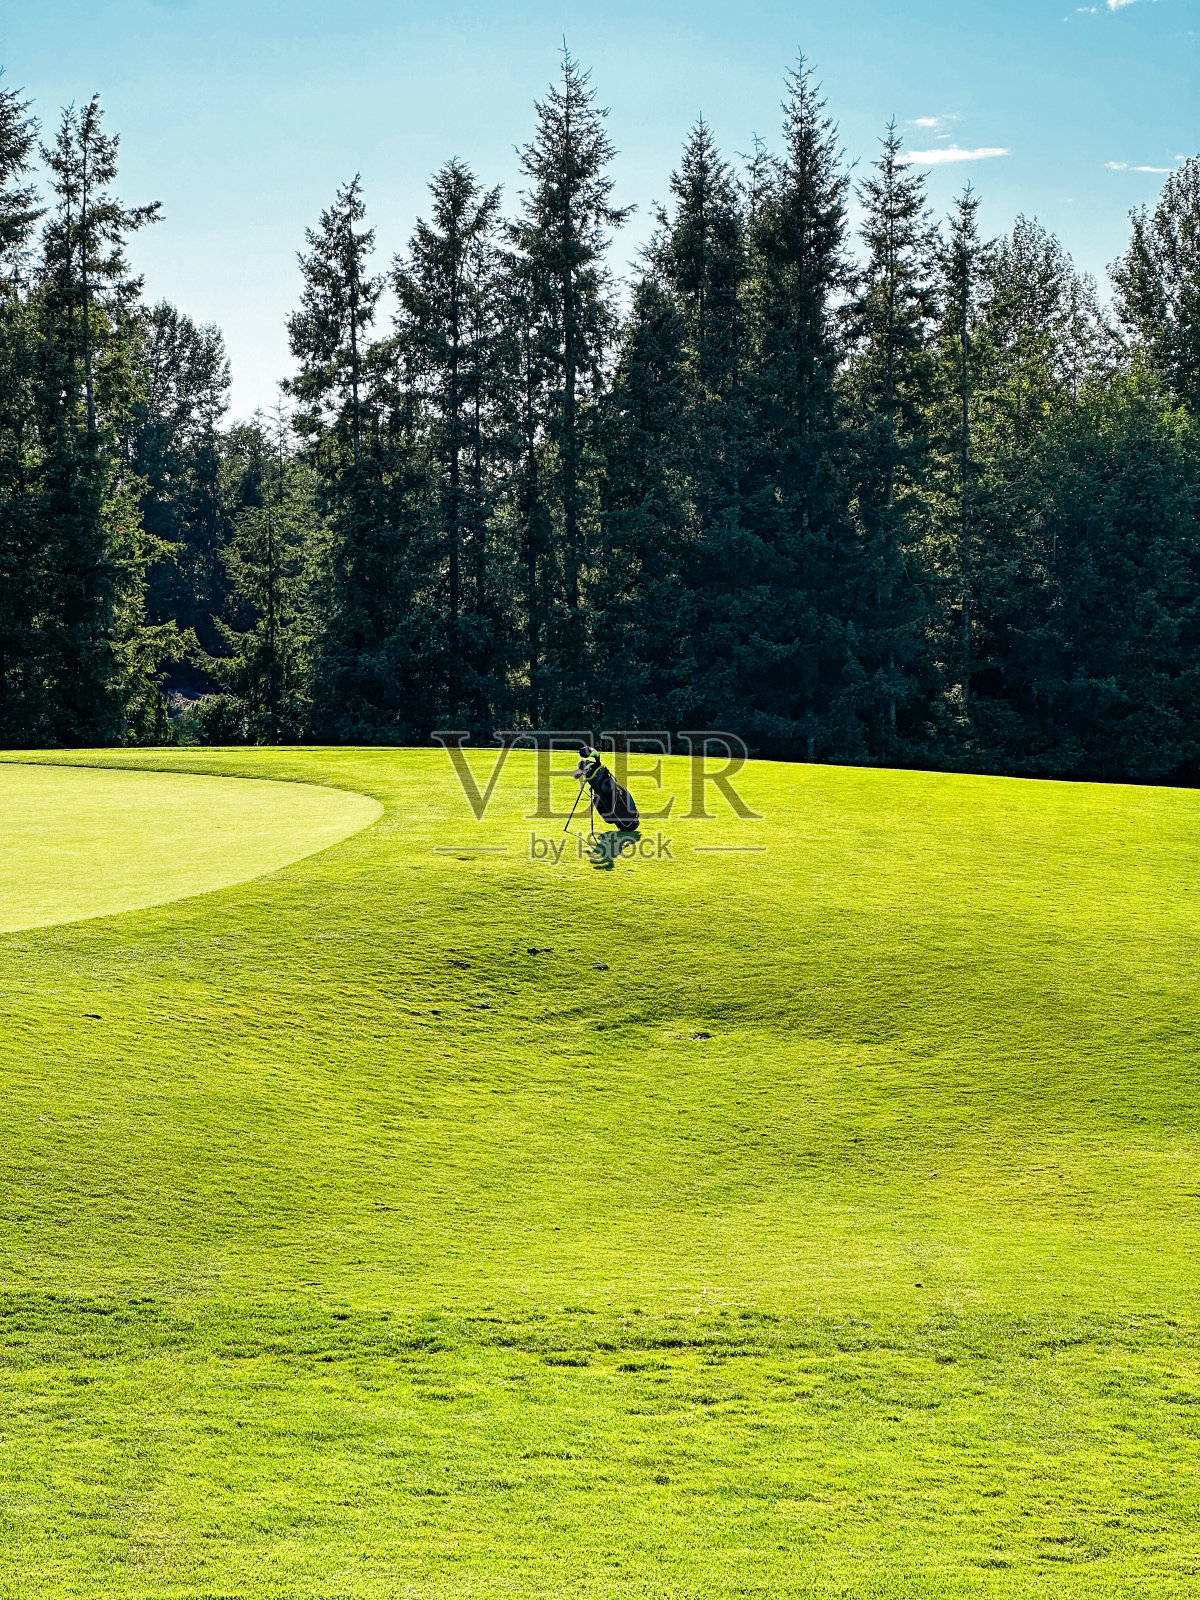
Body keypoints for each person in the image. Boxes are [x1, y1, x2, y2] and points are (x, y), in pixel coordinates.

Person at [573, 747, 640, 832]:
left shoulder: (601, 780)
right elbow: (576, 775)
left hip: (629, 824)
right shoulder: (598, 773)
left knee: (606, 796)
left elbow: (576, 776)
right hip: (627, 824)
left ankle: (627, 821)